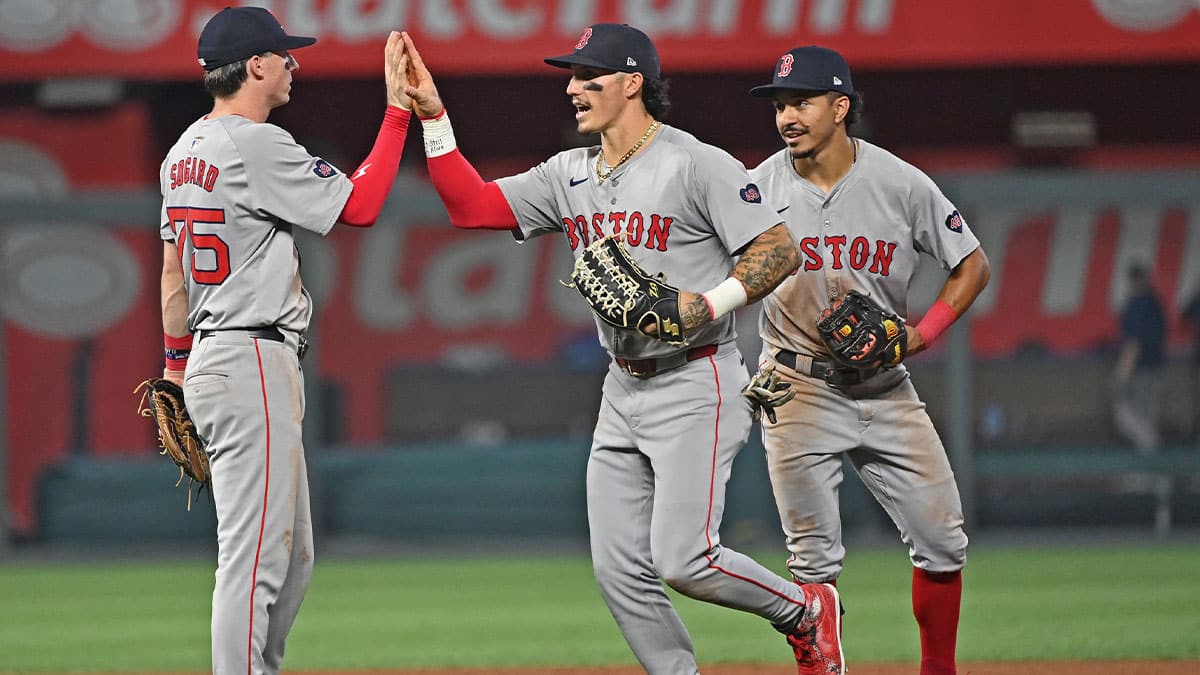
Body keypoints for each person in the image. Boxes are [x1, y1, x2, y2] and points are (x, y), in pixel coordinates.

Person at [397, 25, 846, 675]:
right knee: (617, 569)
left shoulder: (695, 163)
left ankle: (805, 610)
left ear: (633, 83)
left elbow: (777, 249)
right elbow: (472, 208)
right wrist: (434, 119)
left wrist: (708, 302)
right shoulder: (569, 174)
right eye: (572, 76)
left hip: (698, 378)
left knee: (686, 560)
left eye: (590, 76)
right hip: (622, 386)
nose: (573, 88)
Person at [157, 7, 413, 673]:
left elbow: (170, 272)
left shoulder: (183, 151)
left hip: (221, 354)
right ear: (258, 65)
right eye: (286, 55)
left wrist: (178, 365)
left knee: (291, 553)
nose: (294, 65)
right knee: (256, 554)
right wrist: (396, 115)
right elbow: (359, 207)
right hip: (248, 359)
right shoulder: (254, 142)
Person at [745, 46, 991, 675]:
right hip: (796, 387)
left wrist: (921, 335)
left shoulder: (900, 182)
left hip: (885, 386)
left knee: (942, 541)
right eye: (779, 104)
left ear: (840, 106)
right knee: (813, 563)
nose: (786, 116)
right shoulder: (757, 188)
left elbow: (972, 264)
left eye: (800, 101)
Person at [1112, 264, 1166, 454]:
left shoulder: (1137, 304)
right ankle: (1151, 457)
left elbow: (1133, 344)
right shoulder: (1155, 302)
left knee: (1128, 413)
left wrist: (1122, 374)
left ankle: (1148, 455)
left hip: (1140, 369)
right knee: (1147, 416)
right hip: (1155, 367)